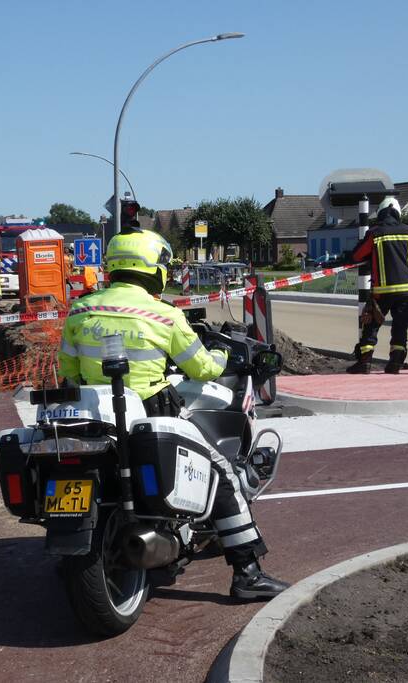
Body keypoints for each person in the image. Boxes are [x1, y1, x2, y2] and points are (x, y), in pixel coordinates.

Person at [57, 226, 289, 600]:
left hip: (93, 416)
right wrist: (223, 356)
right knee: (223, 474)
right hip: (149, 412)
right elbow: (201, 368)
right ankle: (247, 574)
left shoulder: (81, 309)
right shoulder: (164, 315)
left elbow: (67, 367)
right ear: (153, 268)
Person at [346, 197, 408, 374]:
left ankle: (364, 363)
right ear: (398, 213)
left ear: (381, 213)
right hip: (406, 291)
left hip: (382, 292)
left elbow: (357, 255)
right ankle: (395, 365)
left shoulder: (375, 233)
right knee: (400, 328)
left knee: (371, 326)